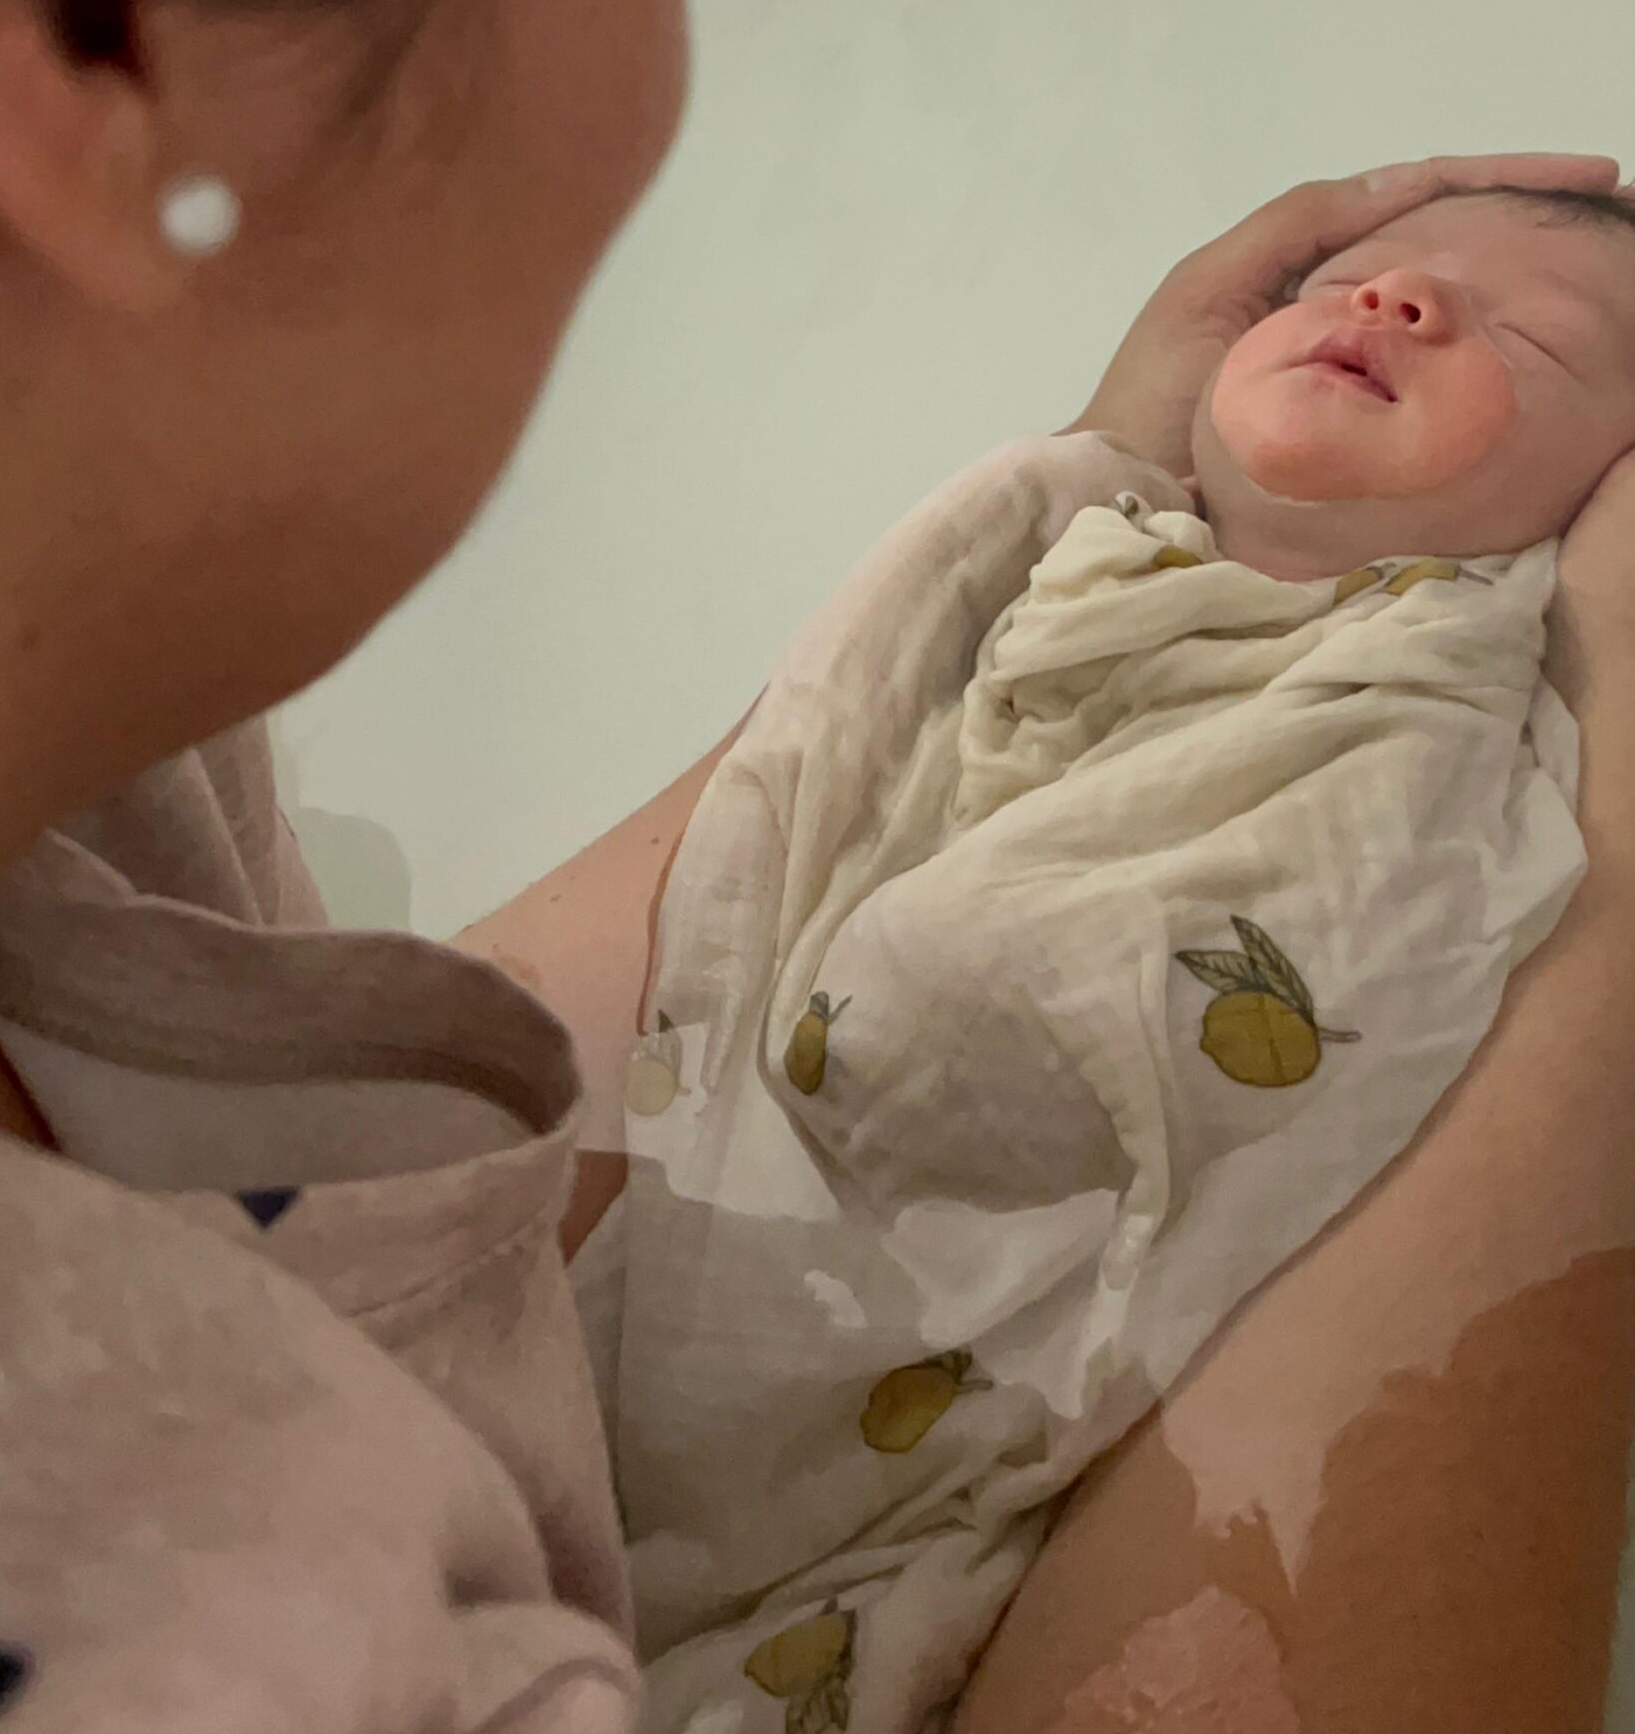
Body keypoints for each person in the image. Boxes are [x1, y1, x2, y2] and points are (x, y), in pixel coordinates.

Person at [0, 0, 1630, 1731]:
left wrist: (1065, 494)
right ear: (108, 38)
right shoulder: (189, 1650)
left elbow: (319, 1176)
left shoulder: (13, 740)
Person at [531, 188, 1635, 1734]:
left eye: (1529, 338)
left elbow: (1364, 948)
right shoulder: (1061, 543)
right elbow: (836, 755)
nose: (1400, 306)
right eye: (1360, 277)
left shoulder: (1452, 685)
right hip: (670, 1276)